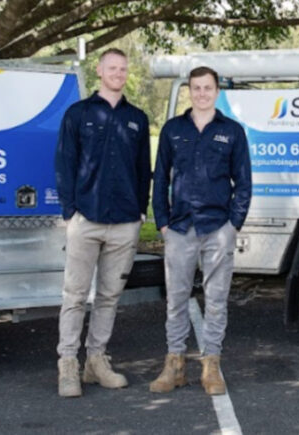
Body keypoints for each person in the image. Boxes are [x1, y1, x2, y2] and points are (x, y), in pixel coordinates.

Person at [54, 48, 151, 398]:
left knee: (109, 297)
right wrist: (70, 212)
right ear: (99, 70)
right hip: (86, 219)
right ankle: (68, 365)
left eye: (123, 69)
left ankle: (96, 361)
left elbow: (143, 168)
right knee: (75, 295)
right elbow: (65, 163)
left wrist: (141, 209)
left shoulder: (137, 118)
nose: (118, 73)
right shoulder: (78, 114)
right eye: (112, 68)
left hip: (125, 222)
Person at [149, 65, 251, 396]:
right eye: (196, 88)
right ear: (189, 91)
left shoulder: (232, 131)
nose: (202, 93)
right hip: (179, 227)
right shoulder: (173, 129)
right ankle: (174, 365)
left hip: (217, 227)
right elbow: (160, 178)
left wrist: (233, 224)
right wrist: (162, 222)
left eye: (208, 88)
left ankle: (211, 367)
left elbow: (244, 183)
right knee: (176, 299)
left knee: (217, 300)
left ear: (217, 92)